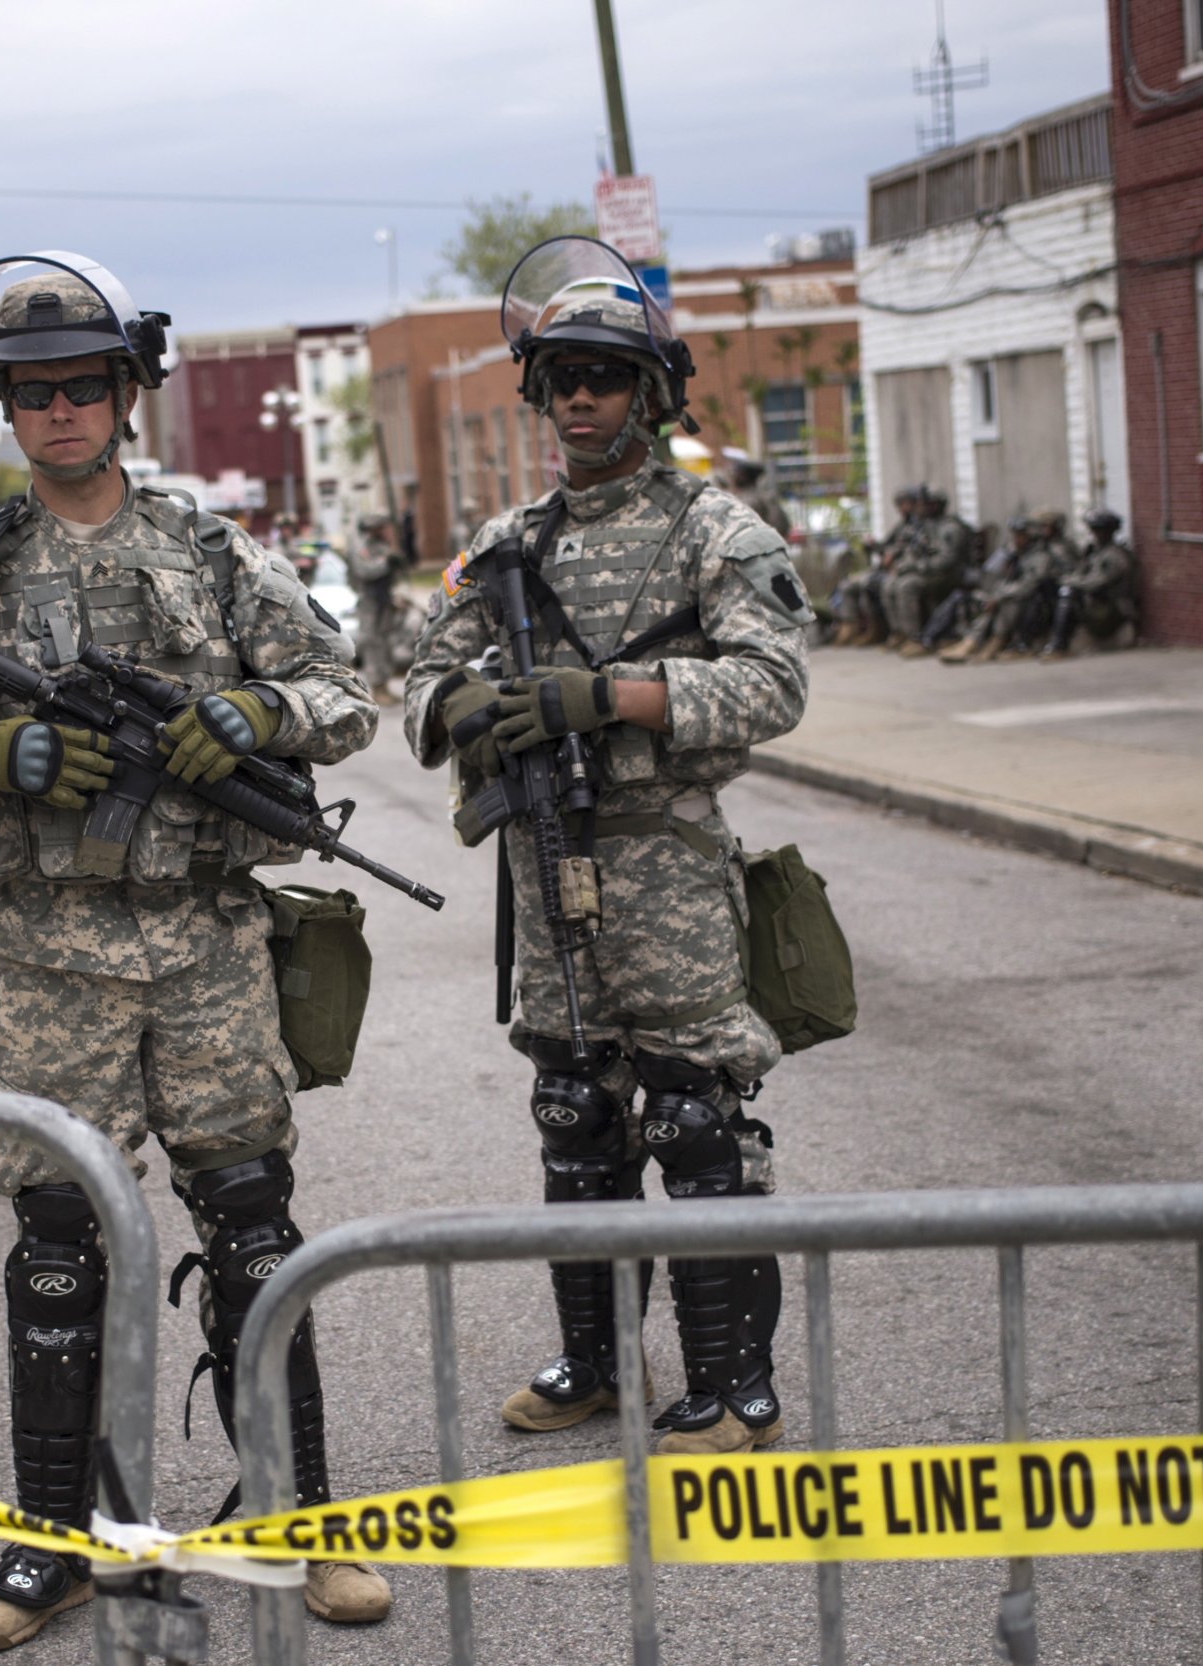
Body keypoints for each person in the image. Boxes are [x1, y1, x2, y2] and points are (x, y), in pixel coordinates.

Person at [0, 252, 392, 1648]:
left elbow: (345, 693)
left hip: (206, 950)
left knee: (257, 1228)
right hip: (46, 965)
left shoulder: (215, 551)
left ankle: (300, 1516)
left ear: (128, 395)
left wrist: (258, 720)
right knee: (55, 1248)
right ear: (3, 409)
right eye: (31, 393)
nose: (60, 411)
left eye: (84, 385)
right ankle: (51, 1541)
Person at [402, 236, 811, 1460]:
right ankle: (593, 1363)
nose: (579, 396)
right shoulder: (505, 541)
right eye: (561, 376)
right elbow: (415, 674)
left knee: (694, 1120)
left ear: (649, 389)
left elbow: (773, 684)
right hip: (545, 863)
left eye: (604, 374)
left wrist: (613, 698)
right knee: (575, 1112)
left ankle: (731, 1383)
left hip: (667, 862)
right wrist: (466, 707)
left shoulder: (714, 531)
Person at [942, 509, 1067, 664]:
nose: (1016, 539)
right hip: (1014, 597)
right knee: (989, 601)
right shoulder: (1017, 555)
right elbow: (1003, 578)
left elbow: (1029, 585)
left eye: (1020, 535)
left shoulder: (1041, 556)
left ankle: (996, 641)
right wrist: (996, 596)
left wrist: (1000, 596)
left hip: (1035, 604)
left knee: (1007, 602)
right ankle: (971, 642)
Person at [883, 486, 973, 656]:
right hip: (929, 571)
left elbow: (947, 561)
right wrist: (904, 565)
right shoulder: (925, 525)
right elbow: (913, 550)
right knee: (890, 584)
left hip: (949, 575)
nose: (919, 507)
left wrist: (916, 567)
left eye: (923, 504)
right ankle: (900, 633)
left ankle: (916, 638)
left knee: (906, 586)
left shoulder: (950, 527)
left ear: (935, 505)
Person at [829, 484, 921, 647]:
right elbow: (887, 547)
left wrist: (896, 559)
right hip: (892, 569)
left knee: (885, 586)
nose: (902, 508)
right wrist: (873, 545)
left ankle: (905, 634)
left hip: (908, 570)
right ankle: (853, 626)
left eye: (906, 503)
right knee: (849, 585)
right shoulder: (902, 526)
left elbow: (914, 552)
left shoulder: (920, 526)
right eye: (900, 504)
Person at [1042, 508, 1139, 658]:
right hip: (1095, 605)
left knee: (1070, 592)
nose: (1096, 534)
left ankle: (1059, 644)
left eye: (1100, 530)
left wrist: (1071, 583)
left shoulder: (1115, 556)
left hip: (1112, 609)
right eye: (1094, 530)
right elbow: (1079, 573)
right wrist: (1065, 580)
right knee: (1052, 588)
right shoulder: (1093, 551)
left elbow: (1096, 582)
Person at [348, 513, 402, 695]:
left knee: (385, 642)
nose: (385, 531)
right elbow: (364, 570)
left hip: (384, 600)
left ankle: (384, 684)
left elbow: (395, 573)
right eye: (381, 528)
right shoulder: (361, 547)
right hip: (369, 602)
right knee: (372, 643)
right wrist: (386, 563)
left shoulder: (381, 546)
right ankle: (377, 686)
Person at [724, 451, 794, 542]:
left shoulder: (747, 501)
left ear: (743, 476)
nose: (733, 476)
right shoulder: (762, 496)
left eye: (736, 473)